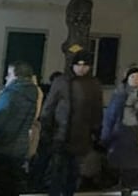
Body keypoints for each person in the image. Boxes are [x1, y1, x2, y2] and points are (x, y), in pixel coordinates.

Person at [42, 50, 105, 196]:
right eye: (78, 65)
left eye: (85, 65)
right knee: (57, 173)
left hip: (81, 136)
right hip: (60, 135)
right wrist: (47, 130)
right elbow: (49, 107)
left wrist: (96, 132)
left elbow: (97, 110)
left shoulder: (94, 84)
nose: (81, 68)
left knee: (73, 174)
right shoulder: (61, 82)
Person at [101, 66, 138, 196]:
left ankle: (128, 187)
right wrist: (105, 136)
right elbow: (110, 116)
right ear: (127, 79)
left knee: (136, 165)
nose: (135, 79)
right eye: (132, 77)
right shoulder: (119, 94)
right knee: (121, 164)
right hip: (121, 135)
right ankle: (125, 186)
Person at [0, 61, 42, 196]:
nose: (6, 78)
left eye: (9, 74)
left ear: (17, 76)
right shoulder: (33, 94)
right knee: (11, 187)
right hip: (20, 149)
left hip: (2, 150)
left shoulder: (10, 94)